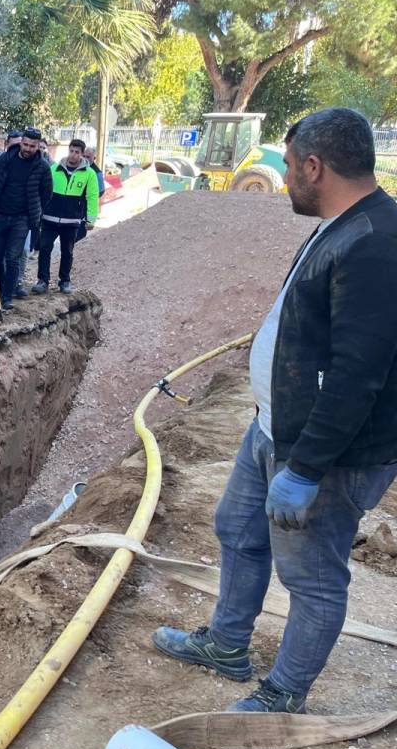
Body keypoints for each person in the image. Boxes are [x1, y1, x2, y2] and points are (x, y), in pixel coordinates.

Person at [152, 108, 397, 713]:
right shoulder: (342, 223)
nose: (284, 178)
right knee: (237, 529)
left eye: (288, 167)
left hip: (328, 452)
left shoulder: (374, 245)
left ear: (315, 166)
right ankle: (229, 643)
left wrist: (307, 468)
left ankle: (285, 693)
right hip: (274, 428)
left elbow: (357, 373)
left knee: (312, 577)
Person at [0, 125, 52, 305]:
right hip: (0, 214)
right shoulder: (6, 159)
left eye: (33, 146)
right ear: (21, 142)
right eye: (26, 144)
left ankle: (6, 297)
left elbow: (46, 194)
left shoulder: (43, 167)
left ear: (38, 147)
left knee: (13, 257)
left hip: (22, 219)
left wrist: (35, 212)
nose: (28, 149)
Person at [33, 138, 99, 295]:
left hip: (72, 221)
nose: (73, 155)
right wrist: (39, 212)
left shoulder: (89, 174)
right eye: (71, 151)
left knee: (67, 252)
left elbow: (92, 197)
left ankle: (65, 281)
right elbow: (43, 191)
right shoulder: (54, 169)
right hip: (49, 218)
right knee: (44, 248)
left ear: (82, 155)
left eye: (77, 152)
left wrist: (90, 219)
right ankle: (43, 280)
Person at [74, 146, 106, 245]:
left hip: (85, 211)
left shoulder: (97, 173)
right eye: (84, 156)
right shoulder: (77, 167)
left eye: (88, 157)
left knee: (78, 239)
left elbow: (100, 191)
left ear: (94, 158)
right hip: (73, 208)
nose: (85, 159)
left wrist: (87, 196)